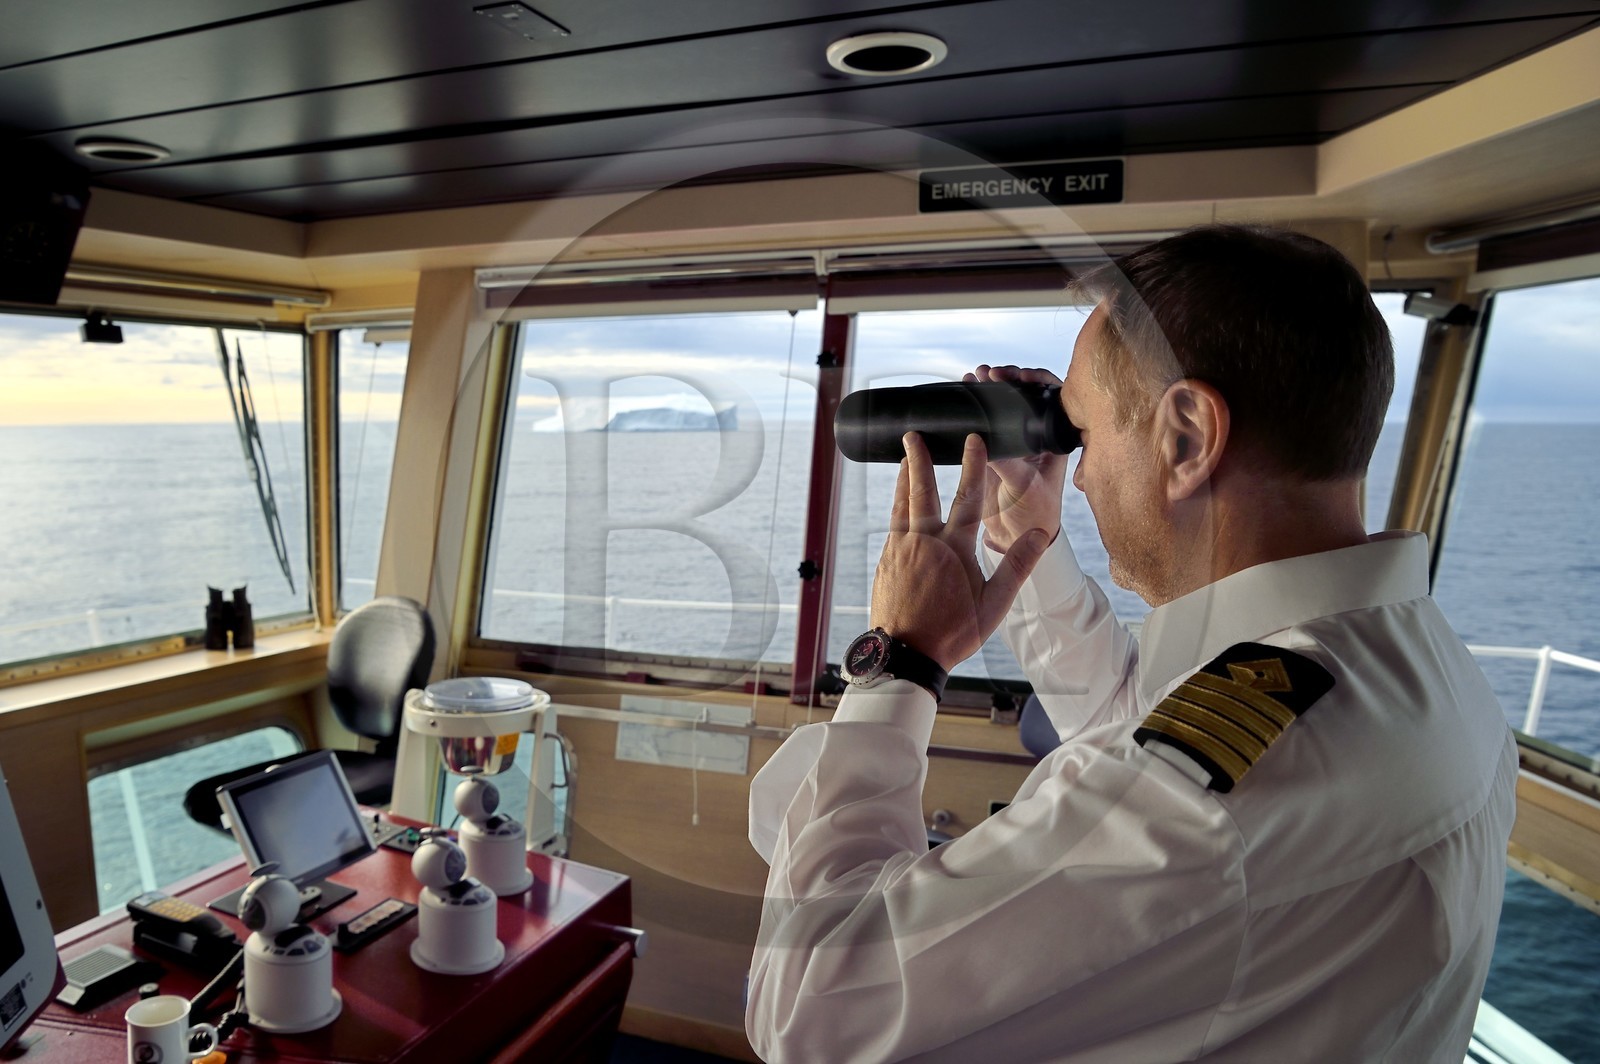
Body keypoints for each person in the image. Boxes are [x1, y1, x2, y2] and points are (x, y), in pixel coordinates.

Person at [745, 225, 1517, 1062]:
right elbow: (1137, 730)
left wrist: (899, 662)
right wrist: (1028, 548)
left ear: (1185, 437)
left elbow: (812, 1006)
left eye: (1084, 432)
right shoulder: (1409, 659)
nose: (1078, 475)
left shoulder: (1215, 795)